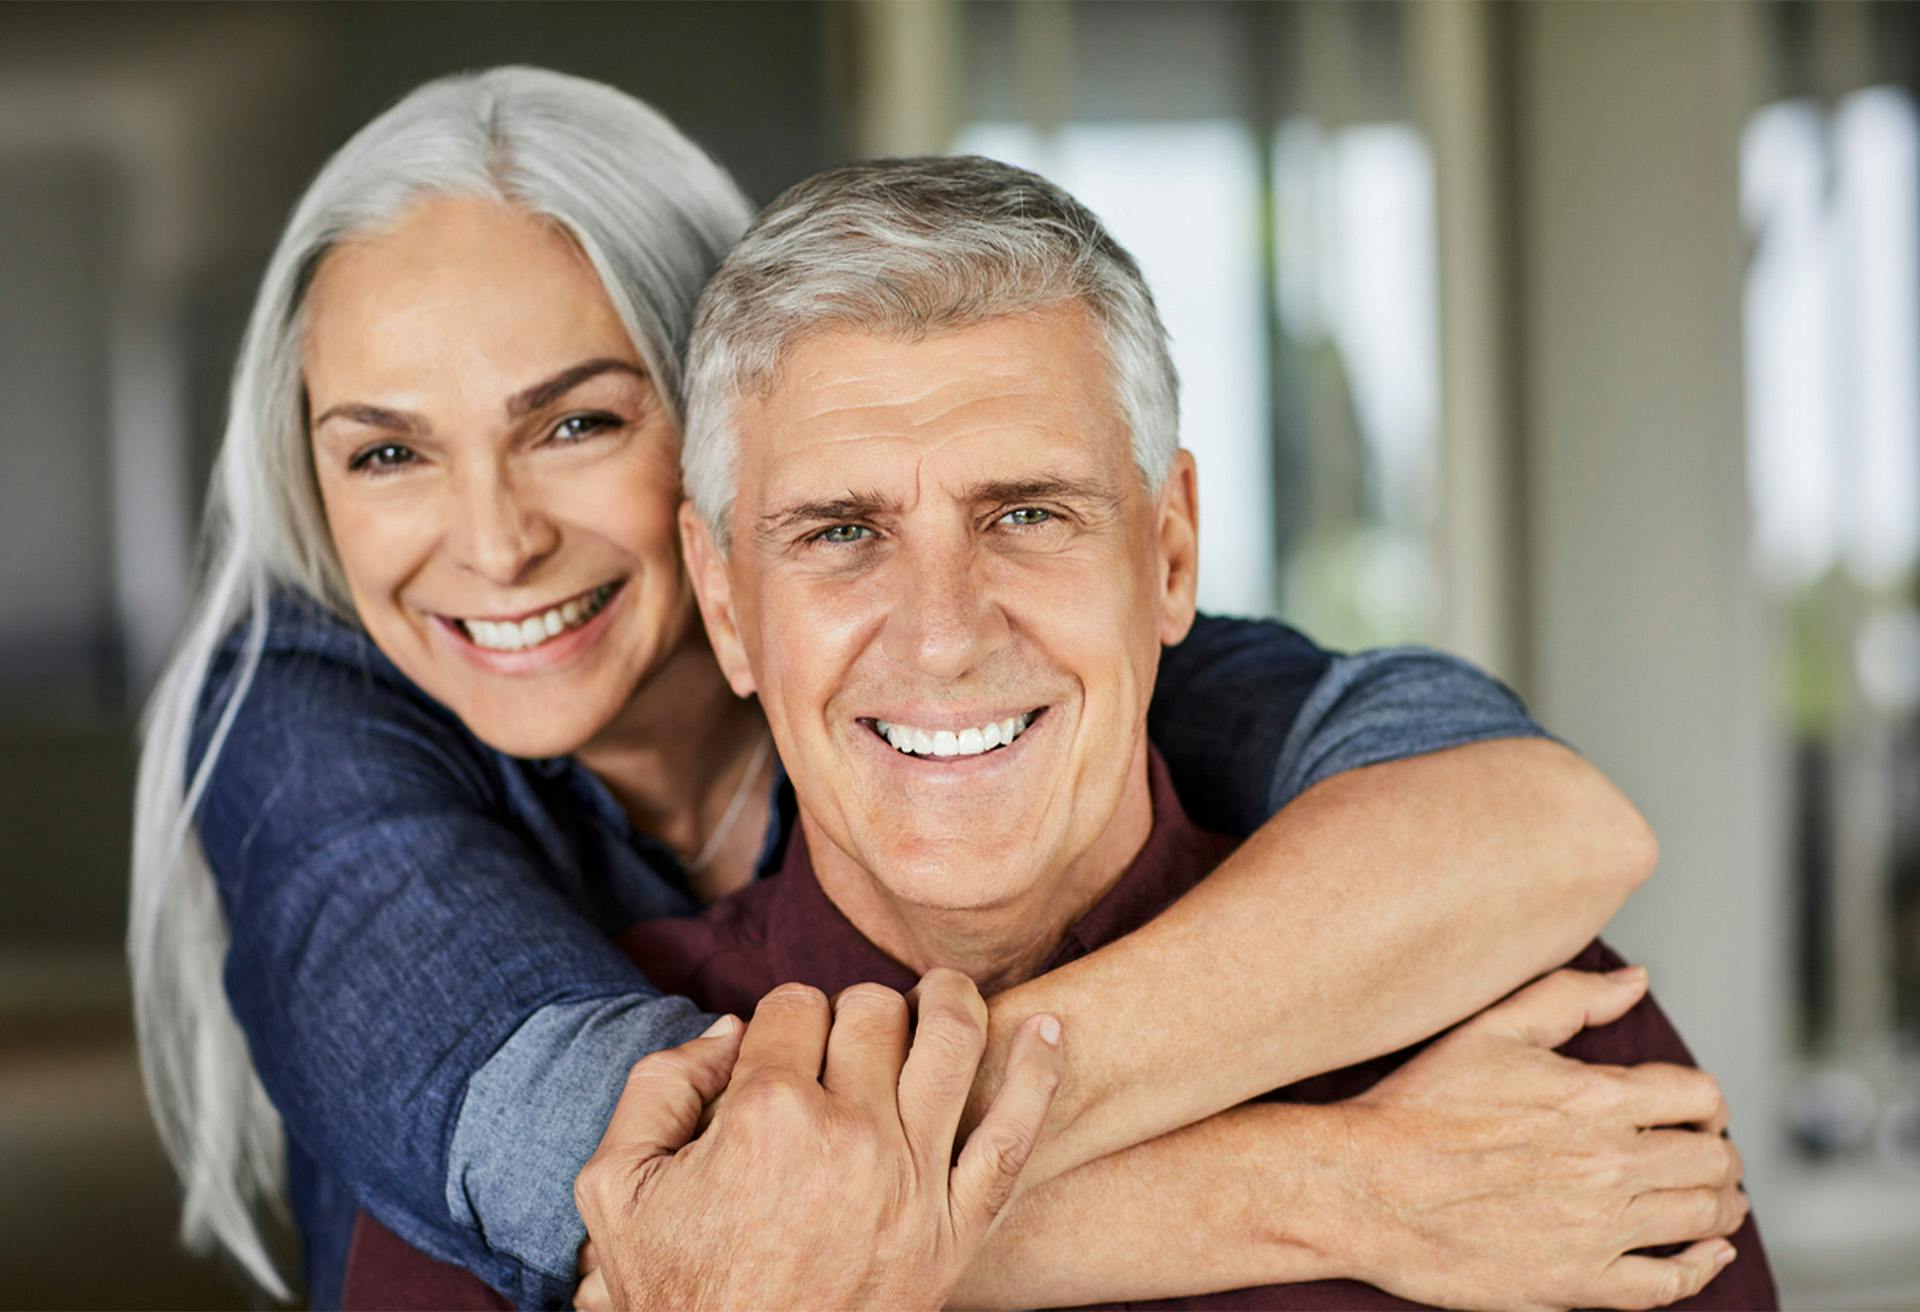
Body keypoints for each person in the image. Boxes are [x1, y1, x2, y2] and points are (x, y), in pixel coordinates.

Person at [129, 68, 1666, 1310]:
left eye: (576, 423)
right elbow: (684, 1222)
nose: (491, 539)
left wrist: (911, 1165)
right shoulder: (304, 728)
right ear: (728, 559)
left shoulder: (1066, 652)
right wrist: (1336, 1183)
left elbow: (1541, 822)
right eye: (386, 450)